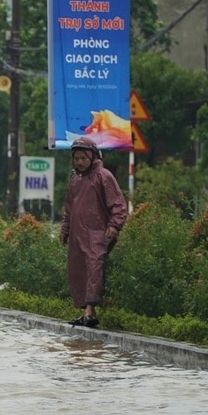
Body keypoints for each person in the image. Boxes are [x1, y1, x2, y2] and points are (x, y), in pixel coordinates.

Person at [59, 136, 127, 328]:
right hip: (77, 234)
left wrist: (114, 225)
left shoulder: (103, 176)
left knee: (94, 268)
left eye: (83, 158)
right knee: (78, 270)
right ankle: (88, 312)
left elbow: (119, 206)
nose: (80, 162)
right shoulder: (74, 178)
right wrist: (65, 229)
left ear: (92, 156)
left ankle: (89, 310)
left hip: (98, 234)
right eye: (76, 158)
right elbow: (69, 207)